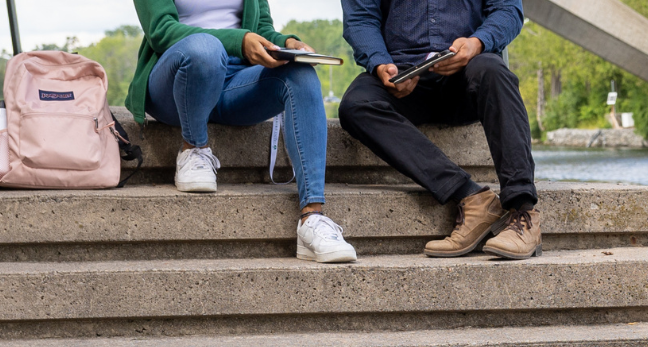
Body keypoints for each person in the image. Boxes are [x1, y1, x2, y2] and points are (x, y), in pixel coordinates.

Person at [130, 0, 356, 263]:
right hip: (176, 82)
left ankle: (312, 218)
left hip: (235, 83)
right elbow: (161, 31)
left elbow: (260, 28)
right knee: (206, 49)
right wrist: (240, 41)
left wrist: (286, 43)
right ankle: (194, 148)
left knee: (300, 73)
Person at [338, 0, 540, 260]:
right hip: (403, 77)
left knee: (494, 72)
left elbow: (508, 10)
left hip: (469, 73)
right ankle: (472, 197)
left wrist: (476, 42)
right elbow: (361, 19)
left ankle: (523, 211)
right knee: (356, 105)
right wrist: (380, 64)